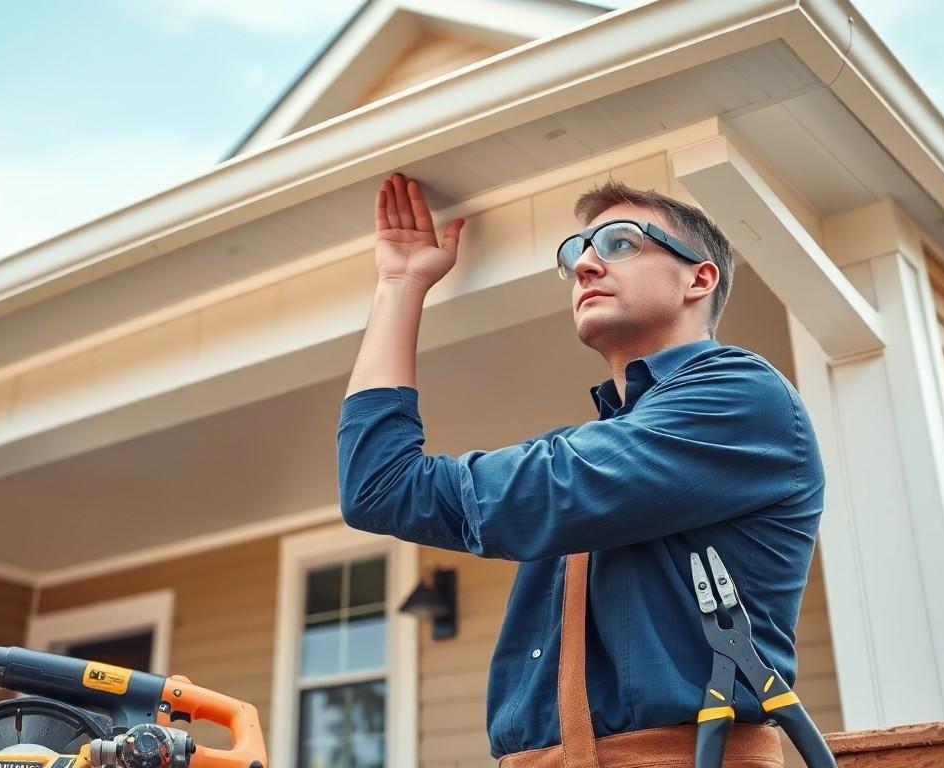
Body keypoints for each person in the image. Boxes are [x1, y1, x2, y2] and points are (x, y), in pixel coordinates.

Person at [336, 172, 824, 767]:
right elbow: (376, 489)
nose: (587, 264)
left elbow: (388, 487)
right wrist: (399, 284)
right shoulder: (592, 450)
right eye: (576, 252)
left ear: (699, 277)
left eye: (621, 243)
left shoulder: (740, 398)